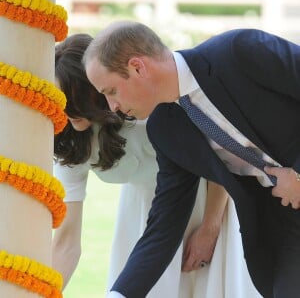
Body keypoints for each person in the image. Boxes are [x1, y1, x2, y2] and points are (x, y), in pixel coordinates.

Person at [83, 21, 300, 298]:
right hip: (284, 225)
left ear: (137, 67)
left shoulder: (239, 51)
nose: (112, 107)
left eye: (110, 91)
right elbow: (165, 223)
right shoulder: (164, 130)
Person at [52, 33, 262, 298]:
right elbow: (66, 242)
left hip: (205, 204)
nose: (67, 110)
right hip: (141, 216)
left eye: (73, 99)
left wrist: (210, 226)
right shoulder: (70, 143)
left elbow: (217, 156)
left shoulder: (144, 111)